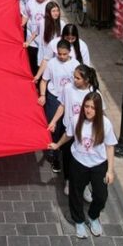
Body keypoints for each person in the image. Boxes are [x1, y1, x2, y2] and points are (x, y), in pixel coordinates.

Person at [49, 91, 117, 239]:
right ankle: (79, 220)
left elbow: (110, 146)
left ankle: (93, 216)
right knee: (75, 193)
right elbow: (68, 135)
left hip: (98, 165)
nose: (88, 110)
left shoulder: (105, 124)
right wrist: (57, 145)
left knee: (101, 195)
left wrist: (110, 170)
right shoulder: (76, 120)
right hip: (78, 162)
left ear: (98, 109)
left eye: (92, 107)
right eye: (86, 106)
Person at [50, 65, 101, 198]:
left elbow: (101, 113)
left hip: (86, 133)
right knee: (68, 158)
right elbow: (62, 105)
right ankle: (68, 180)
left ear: (86, 79)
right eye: (74, 76)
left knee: (86, 160)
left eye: (77, 78)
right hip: (69, 129)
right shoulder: (67, 88)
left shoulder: (94, 93)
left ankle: (84, 186)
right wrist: (54, 121)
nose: (74, 80)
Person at [39, 40, 81, 174]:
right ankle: (54, 155)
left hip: (69, 100)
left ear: (69, 52)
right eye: (59, 54)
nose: (62, 56)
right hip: (54, 98)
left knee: (68, 127)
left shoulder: (75, 64)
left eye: (65, 54)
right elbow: (44, 81)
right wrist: (43, 95)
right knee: (53, 128)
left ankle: (67, 153)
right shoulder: (51, 63)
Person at [34, 2, 67, 82]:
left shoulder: (62, 24)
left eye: (57, 11)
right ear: (48, 12)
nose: (56, 13)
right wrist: (28, 42)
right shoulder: (42, 23)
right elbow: (36, 32)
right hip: (44, 56)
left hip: (56, 58)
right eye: (53, 11)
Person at [22, 0, 48, 77]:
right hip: (31, 40)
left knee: (42, 63)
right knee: (32, 62)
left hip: (43, 39)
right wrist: (21, 25)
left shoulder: (48, 5)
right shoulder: (30, 3)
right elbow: (26, 15)